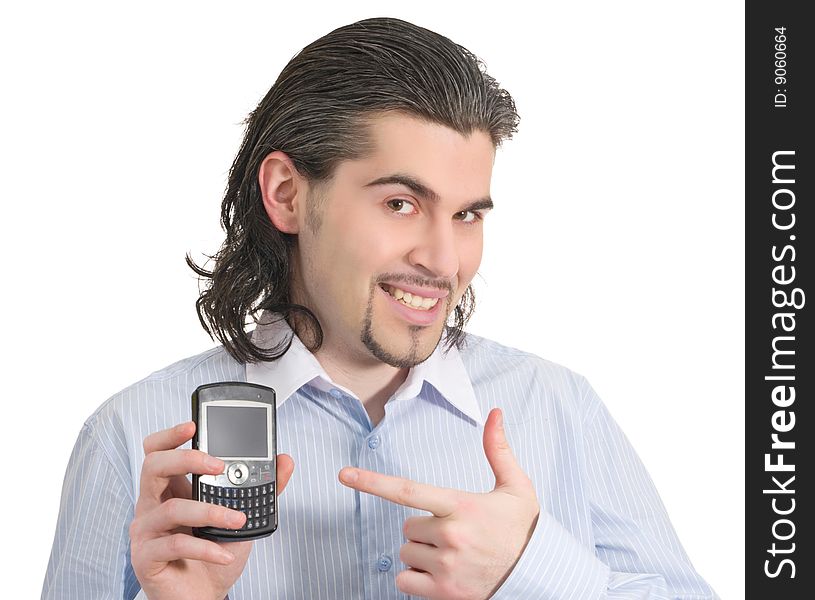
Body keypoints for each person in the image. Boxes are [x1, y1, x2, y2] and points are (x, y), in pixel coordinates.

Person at [42, 16, 718, 600]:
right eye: (400, 203)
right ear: (286, 195)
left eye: (466, 215)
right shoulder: (129, 437)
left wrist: (528, 569)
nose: (444, 259)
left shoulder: (557, 408)